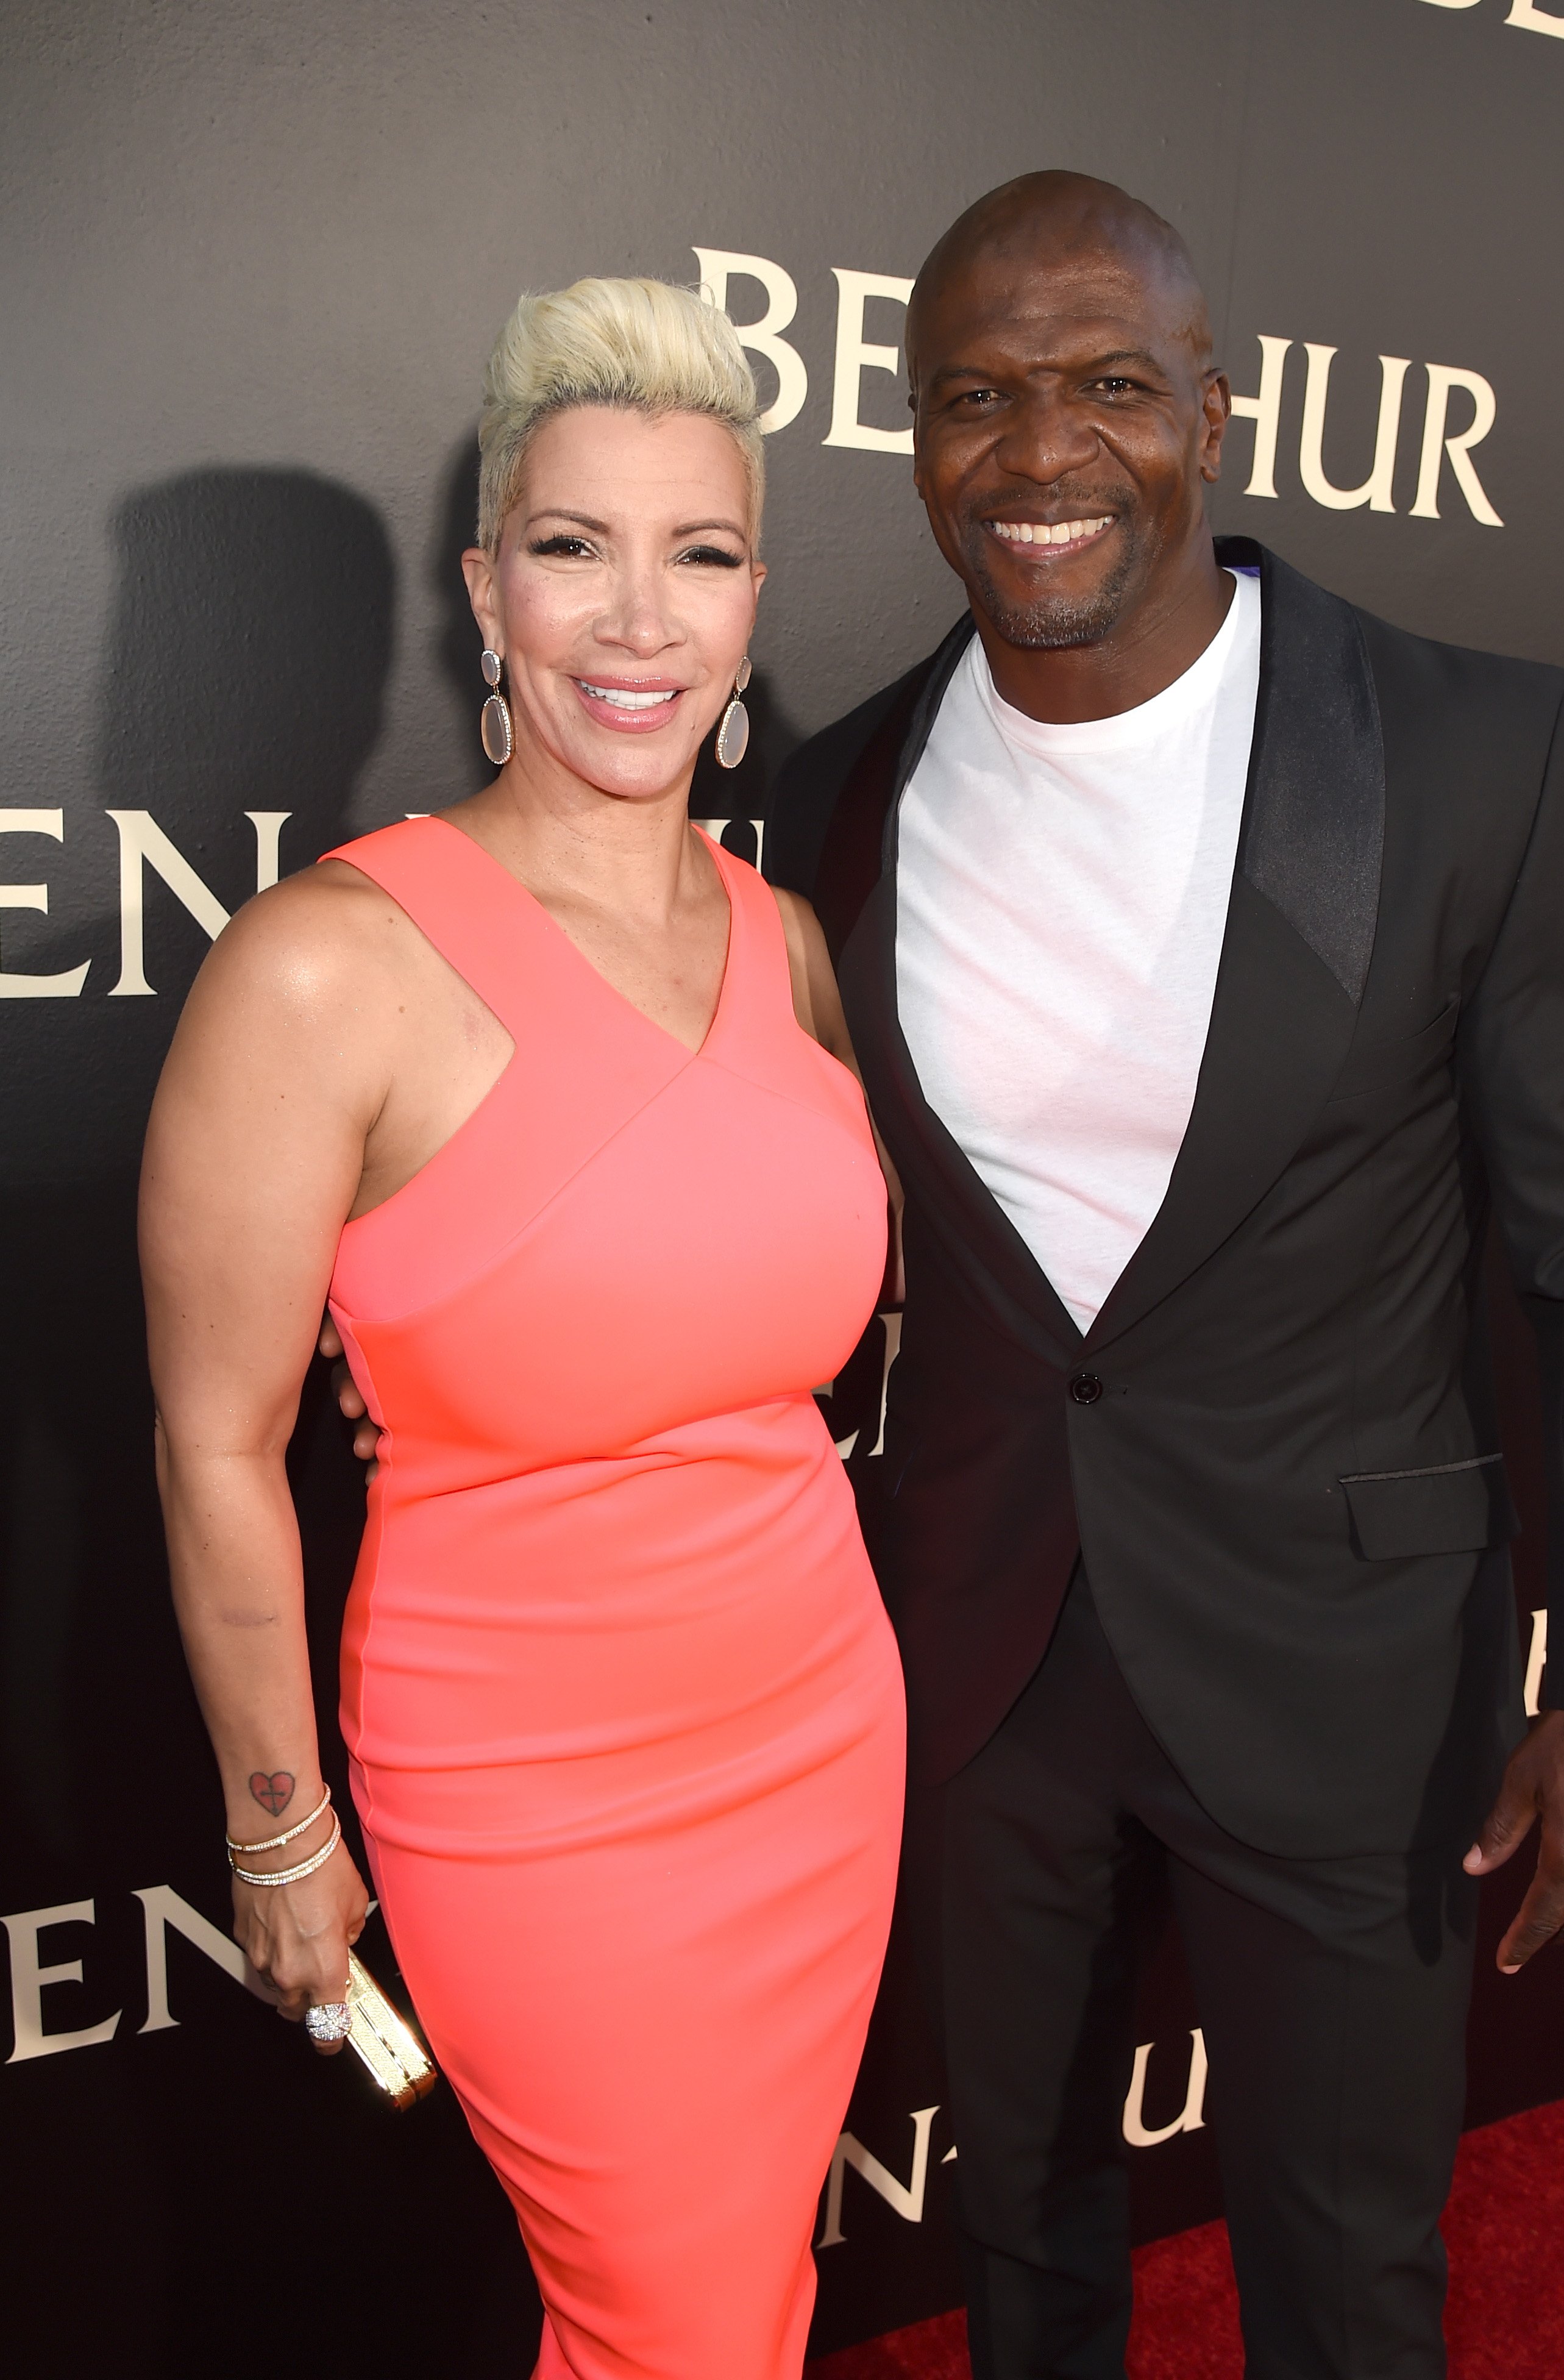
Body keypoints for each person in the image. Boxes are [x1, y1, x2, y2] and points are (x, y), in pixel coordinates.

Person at [760, 174, 1564, 2379]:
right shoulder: (836, 796)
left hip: (1347, 1662)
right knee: (1017, 2238)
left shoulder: (1475, 749)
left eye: (1109, 383)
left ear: (1220, 411)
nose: (1039, 452)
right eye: (975, 398)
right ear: (910, 441)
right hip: (986, 1651)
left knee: (1342, 2259)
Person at [140, 276, 905, 2380]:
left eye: (704, 551)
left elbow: (796, 1323)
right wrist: (282, 1825)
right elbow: (217, 1441)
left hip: (822, 1738)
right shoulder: (323, 969)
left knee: (744, 2298)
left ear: (755, 599)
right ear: (487, 592)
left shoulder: (793, 943)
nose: (639, 621)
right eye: (575, 549)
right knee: (669, 2324)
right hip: (530, 1790)